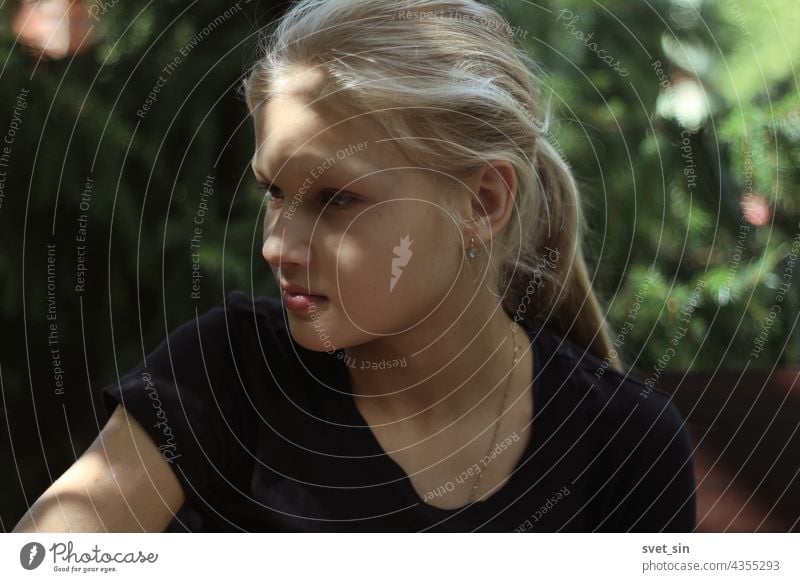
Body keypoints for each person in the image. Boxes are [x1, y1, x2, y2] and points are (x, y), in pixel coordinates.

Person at [13, 0, 696, 533]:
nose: (276, 246)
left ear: (482, 202)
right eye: (274, 192)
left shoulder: (626, 444)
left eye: (338, 200)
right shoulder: (221, 379)